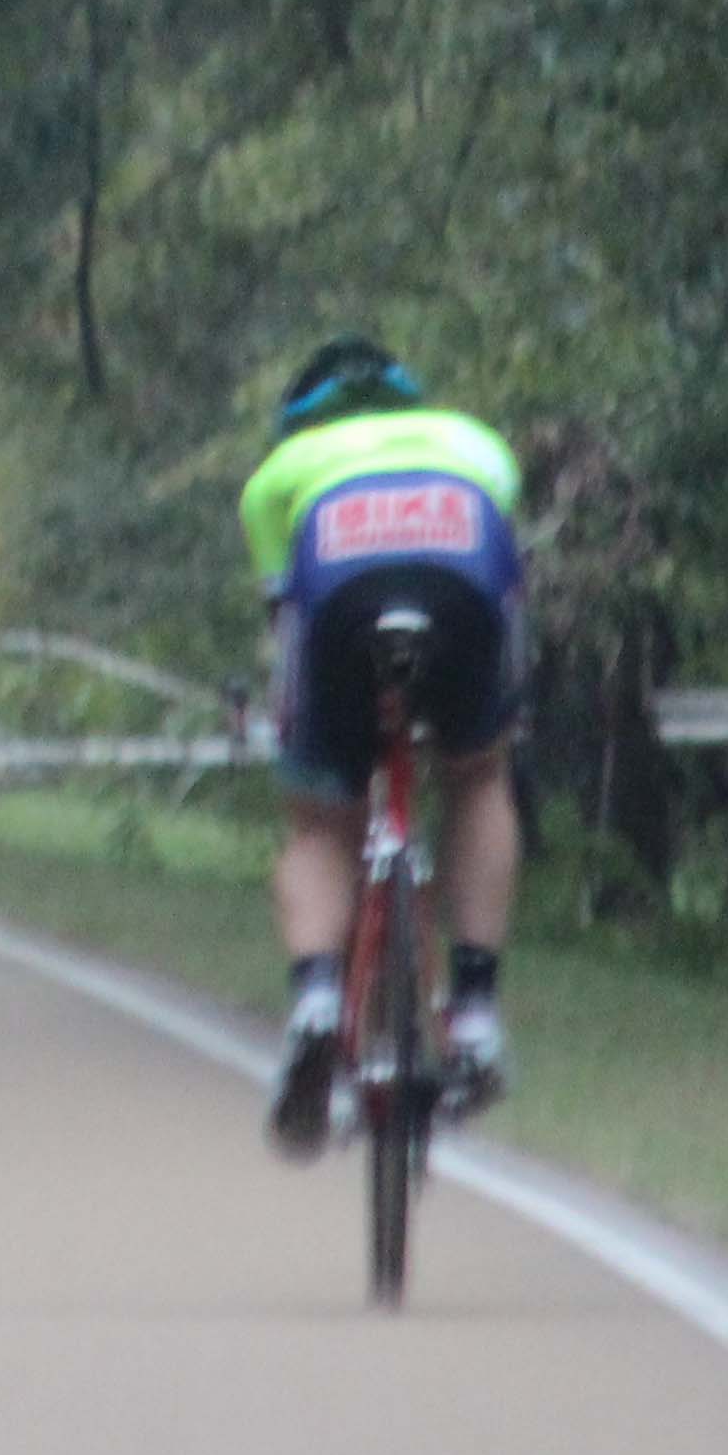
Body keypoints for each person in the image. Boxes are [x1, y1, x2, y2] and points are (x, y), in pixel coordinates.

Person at [236, 336, 525, 1157]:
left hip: (337, 586)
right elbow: (511, 578)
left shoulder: (280, 474)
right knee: (478, 775)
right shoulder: (475, 443)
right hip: (463, 569)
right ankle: (471, 1014)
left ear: (297, 419)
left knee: (321, 822)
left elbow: (281, 620)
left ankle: (320, 1001)